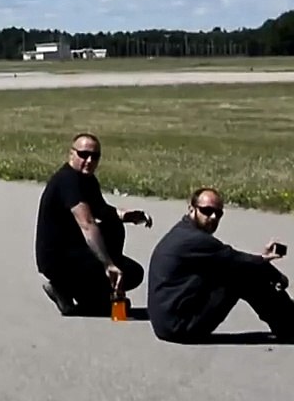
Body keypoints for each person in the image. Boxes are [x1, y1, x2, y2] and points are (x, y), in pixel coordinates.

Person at [147, 187, 294, 343]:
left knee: (237, 270)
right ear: (191, 209)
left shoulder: (183, 232)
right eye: (207, 211)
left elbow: (231, 260)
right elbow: (235, 260)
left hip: (169, 324)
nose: (213, 217)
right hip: (180, 327)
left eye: (218, 213)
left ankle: (289, 324)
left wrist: (262, 261)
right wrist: (276, 275)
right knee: (241, 277)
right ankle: (291, 326)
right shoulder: (193, 239)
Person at [34, 132, 153, 316]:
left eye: (95, 156)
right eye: (83, 155)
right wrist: (108, 265)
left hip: (75, 252)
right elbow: (88, 224)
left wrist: (128, 215)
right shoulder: (68, 180)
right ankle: (65, 287)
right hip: (58, 259)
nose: (89, 160)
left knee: (131, 268)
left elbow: (102, 210)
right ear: (71, 154)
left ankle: (77, 293)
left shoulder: (87, 180)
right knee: (127, 273)